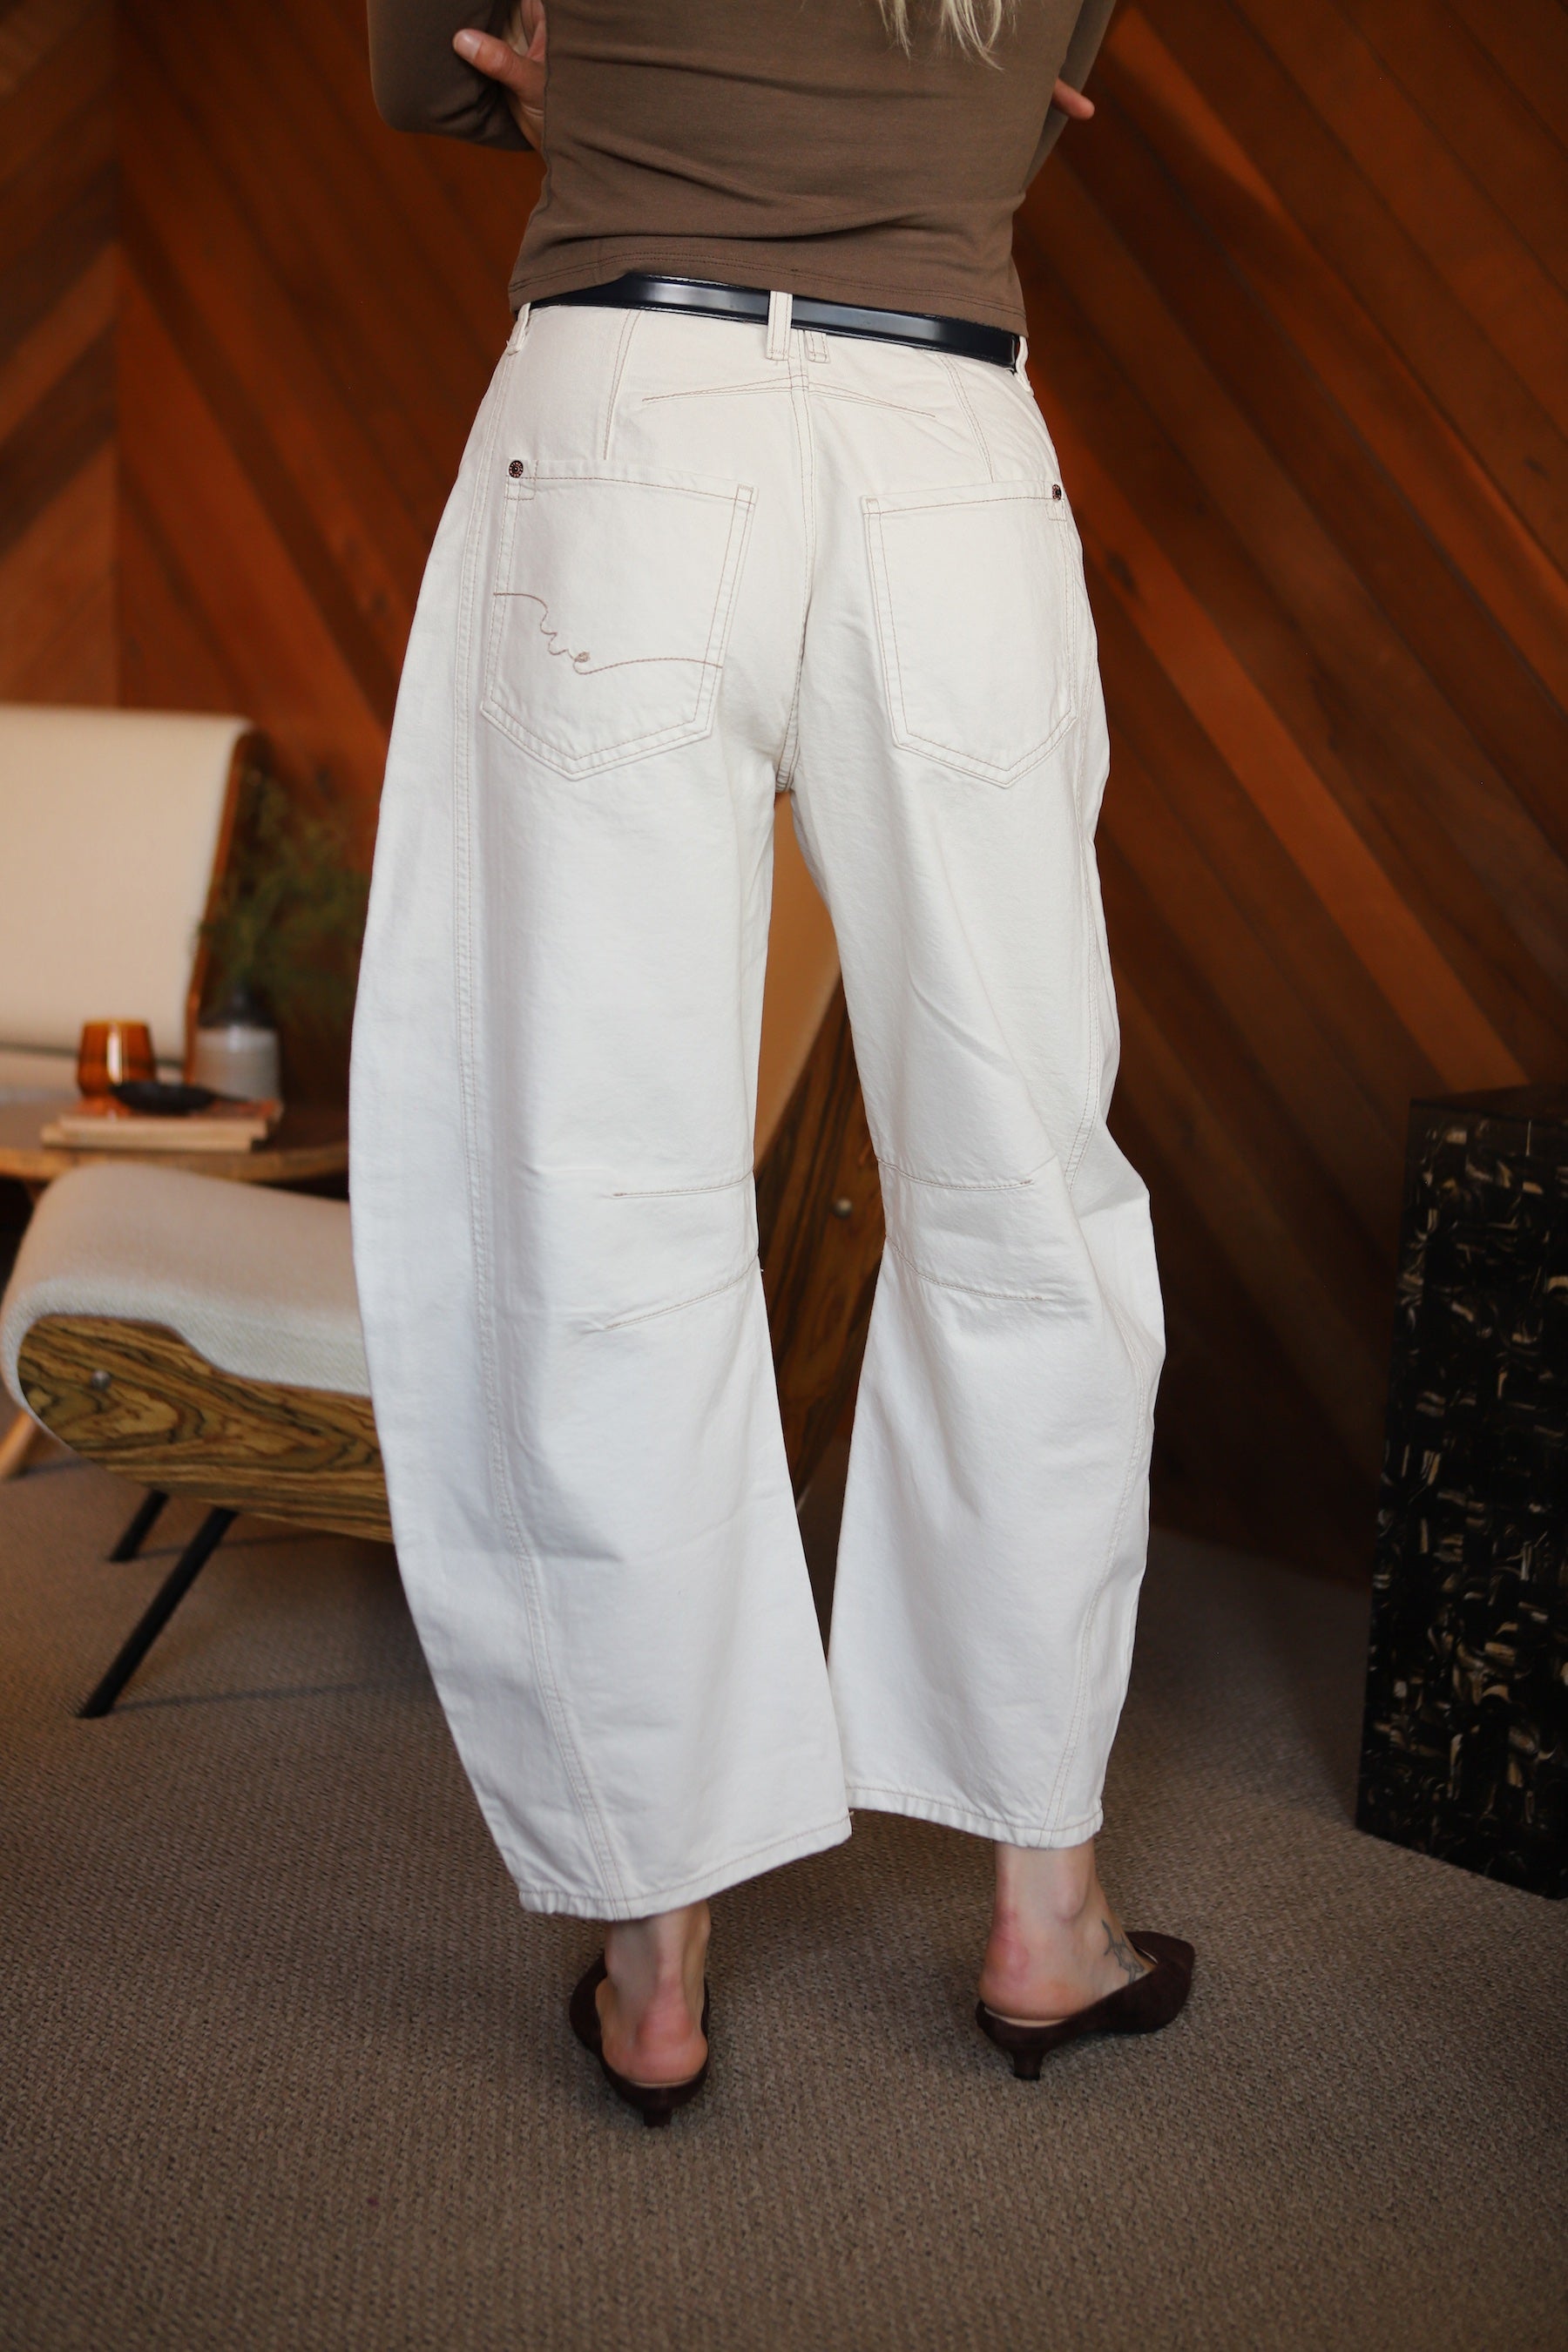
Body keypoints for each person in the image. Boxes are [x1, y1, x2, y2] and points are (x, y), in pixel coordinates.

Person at [353, 0, 1191, 2125]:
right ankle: (1045, 1913)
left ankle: (657, 1956)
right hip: (944, 447)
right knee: (1021, 1185)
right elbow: (1028, 104)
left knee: (592, 1174)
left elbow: (422, 64)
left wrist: (612, 81)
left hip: (624, 417)